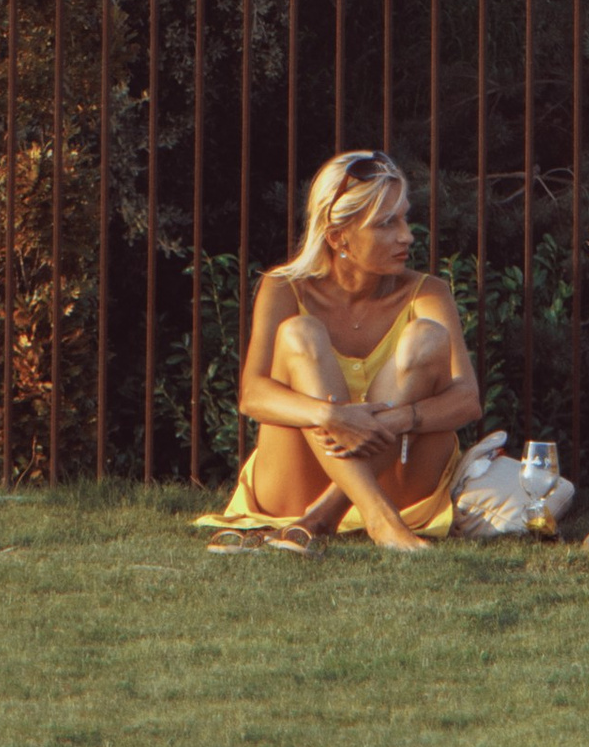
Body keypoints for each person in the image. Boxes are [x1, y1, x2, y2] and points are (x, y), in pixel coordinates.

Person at [203, 150, 480, 552]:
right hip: (294, 484)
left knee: (427, 336)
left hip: (400, 486)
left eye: (404, 217)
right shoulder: (284, 288)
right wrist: (331, 416)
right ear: (337, 237)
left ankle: (329, 516)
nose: (406, 235)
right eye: (386, 223)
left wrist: (395, 419)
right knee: (299, 333)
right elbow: (253, 396)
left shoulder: (429, 292)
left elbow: (467, 400)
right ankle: (375, 515)